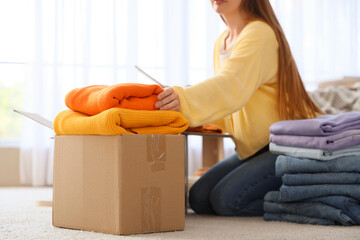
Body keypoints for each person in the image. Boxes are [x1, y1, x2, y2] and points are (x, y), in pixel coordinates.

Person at [155, 0, 323, 216]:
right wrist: (185, 113)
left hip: (287, 145)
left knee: (227, 201)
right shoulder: (222, 42)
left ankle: (314, 198)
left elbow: (231, 85)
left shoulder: (259, 33)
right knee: (199, 198)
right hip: (254, 148)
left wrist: (185, 99)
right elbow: (230, 102)